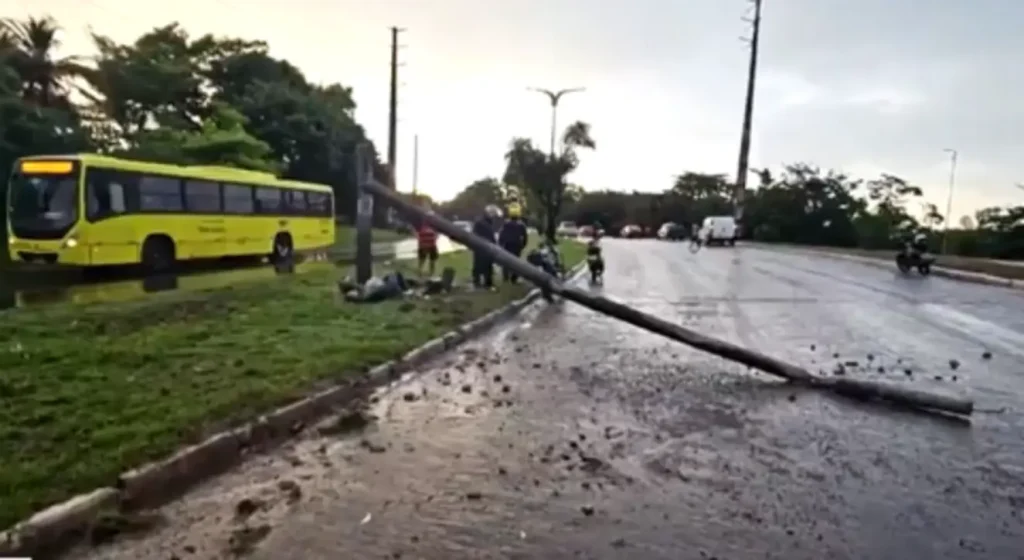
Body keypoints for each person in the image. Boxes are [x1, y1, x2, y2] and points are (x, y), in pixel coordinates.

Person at [471, 204, 501, 289]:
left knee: (482, 265)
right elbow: (489, 236)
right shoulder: (482, 222)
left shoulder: (483, 221)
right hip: (482, 247)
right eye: (493, 215)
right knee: (483, 265)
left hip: (483, 247)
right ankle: (483, 282)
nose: (494, 217)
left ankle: (481, 282)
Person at [497, 203, 529, 283]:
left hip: (507, 245)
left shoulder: (506, 224)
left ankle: (506, 277)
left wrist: (501, 244)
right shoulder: (521, 225)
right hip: (517, 245)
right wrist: (523, 245)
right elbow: (525, 236)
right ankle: (514, 278)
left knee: (506, 261)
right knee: (516, 262)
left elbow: (501, 234)